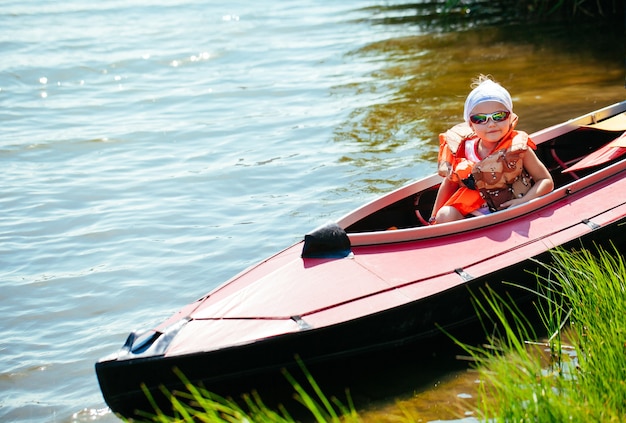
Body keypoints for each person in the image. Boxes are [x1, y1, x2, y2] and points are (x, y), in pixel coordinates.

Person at [430, 75, 554, 224]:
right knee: (444, 215)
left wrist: (525, 201)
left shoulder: (519, 150)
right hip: (475, 216)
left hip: (514, 210)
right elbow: (449, 184)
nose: (491, 124)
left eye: (499, 116)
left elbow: (546, 181)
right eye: (480, 119)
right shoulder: (462, 150)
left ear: (510, 118)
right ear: (470, 124)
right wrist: (434, 216)